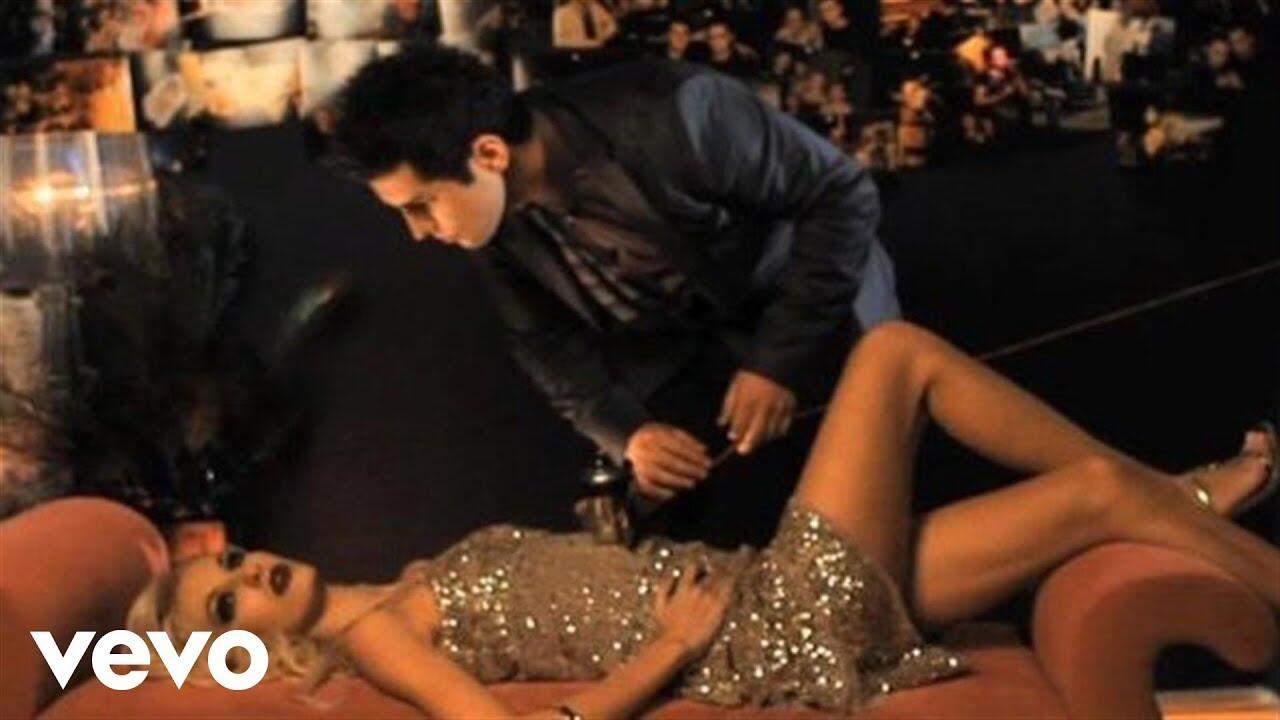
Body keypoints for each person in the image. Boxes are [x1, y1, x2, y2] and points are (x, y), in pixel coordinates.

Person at [127, 321, 1280, 718]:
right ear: (244, 650)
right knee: (892, 354)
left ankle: (1178, 498)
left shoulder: (410, 573)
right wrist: (671, 645)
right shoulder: (376, 636)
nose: (251, 575)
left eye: (233, 564)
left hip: (755, 581)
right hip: (767, 625)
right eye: (224, 607)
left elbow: (562, 605)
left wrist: (617, 547)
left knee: (1092, 499)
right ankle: (1193, 499)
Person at [330, 45, 902, 545]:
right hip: (694, 350)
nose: (418, 232)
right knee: (680, 523)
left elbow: (842, 195)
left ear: (491, 154)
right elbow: (545, 345)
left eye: (421, 205)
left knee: (862, 515)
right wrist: (632, 436)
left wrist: (776, 362)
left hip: (816, 305)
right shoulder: (487, 218)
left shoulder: (681, 112)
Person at [553, 0, 619, 50]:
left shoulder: (596, 8)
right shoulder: (561, 13)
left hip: (598, 54)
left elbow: (612, 25)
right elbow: (559, 42)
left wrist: (603, 36)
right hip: (575, 54)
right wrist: (590, 44)